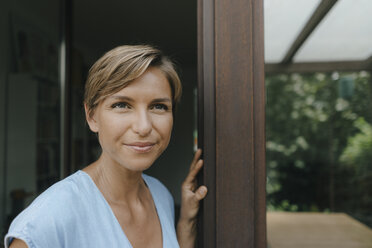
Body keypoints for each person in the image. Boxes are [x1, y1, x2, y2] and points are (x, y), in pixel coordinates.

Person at [5, 45, 207, 248]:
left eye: (158, 106)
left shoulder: (161, 196)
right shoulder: (49, 220)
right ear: (92, 116)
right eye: (122, 105)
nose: (144, 127)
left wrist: (186, 223)